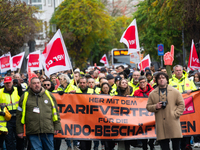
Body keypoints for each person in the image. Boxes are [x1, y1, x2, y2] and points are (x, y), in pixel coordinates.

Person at [16, 77, 61, 149]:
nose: (36, 85)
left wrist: (57, 125)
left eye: (38, 83)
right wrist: (19, 130)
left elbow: (55, 112)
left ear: (41, 84)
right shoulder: (25, 96)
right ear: (30, 85)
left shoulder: (49, 95)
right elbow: (19, 115)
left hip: (47, 130)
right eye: (34, 83)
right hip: (33, 131)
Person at [146, 72, 185, 150]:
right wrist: (155, 107)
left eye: (163, 78)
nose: (161, 80)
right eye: (159, 78)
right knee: (164, 147)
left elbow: (181, 104)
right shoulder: (152, 94)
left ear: (167, 80)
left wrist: (175, 114)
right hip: (161, 124)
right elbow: (148, 107)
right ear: (156, 81)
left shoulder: (175, 91)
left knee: (176, 146)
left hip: (173, 122)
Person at [0, 76, 24, 150]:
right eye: (6, 83)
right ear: (4, 84)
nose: (8, 84)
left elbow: (24, 96)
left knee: (19, 139)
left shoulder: (18, 89)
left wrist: (19, 85)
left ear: (12, 83)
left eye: (9, 83)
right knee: (9, 140)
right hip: (6, 119)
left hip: (17, 118)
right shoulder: (0, 92)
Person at [133, 76, 154, 150]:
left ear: (146, 82)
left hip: (151, 114)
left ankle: (151, 143)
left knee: (152, 130)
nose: (142, 84)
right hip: (142, 115)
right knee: (143, 131)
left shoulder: (153, 91)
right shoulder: (136, 92)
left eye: (143, 82)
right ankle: (145, 146)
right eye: (140, 82)